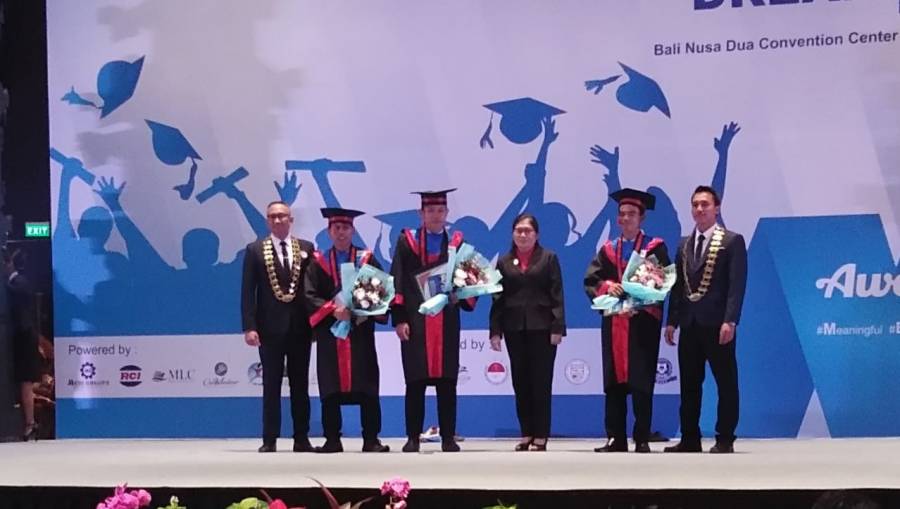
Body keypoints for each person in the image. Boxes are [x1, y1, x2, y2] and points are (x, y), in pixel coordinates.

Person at [583, 189, 670, 453]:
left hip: (642, 323)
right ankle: (615, 438)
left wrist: (639, 302)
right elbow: (591, 280)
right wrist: (608, 286)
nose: (626, 218)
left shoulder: (655, 247)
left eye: (631, 214)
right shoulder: (608, 250)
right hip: (614, 323)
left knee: (642, 382)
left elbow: (662, 282)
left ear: (642, 218)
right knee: (614, 384)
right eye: (622, 214)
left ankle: (642, 437)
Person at [390, 189, 475, 453]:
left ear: (447, 213)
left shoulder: (457, 244)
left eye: (440, 210)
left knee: (447, 382)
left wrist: (463, 293)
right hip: (416, 321)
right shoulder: (407, 241)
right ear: (421, 213)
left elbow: (468, 280)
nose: (436, 215)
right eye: (430, 211)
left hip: (447, 320)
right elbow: (397, 280)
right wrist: (399, 319)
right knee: (414, 382)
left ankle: (448, 437)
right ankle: (412, 437)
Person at [664, 185, 747, 454]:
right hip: (689, 324)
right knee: (689, 384)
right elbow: (678, 287)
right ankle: (690, 438)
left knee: (726, 382)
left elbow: (736, 286)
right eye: (695, 205)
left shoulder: (731, 241)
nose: (699, 209)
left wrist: (730, 320)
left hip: (717, 324)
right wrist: (672, 320)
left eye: (705, 204)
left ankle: (725, 438)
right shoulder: (683, 244)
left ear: (716, 208)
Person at [304, 208, 390, 453]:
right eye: (336, 228)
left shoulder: (367, 259)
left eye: (345, 228)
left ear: (353, 230)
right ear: (329, 231)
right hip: (331, 332)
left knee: (367, 386)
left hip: (359, 331)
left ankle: (371, 439)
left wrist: (360, 309)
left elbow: (382, 290)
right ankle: (332, 439)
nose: (341, 232)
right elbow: (309, 295)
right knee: (330, 387)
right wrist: (333, 309)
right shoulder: (318, 262)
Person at [241, 201, 315, 453]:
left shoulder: (306, 248)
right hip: (268, 329)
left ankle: (301, 438)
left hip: (300, 328)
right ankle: (269, 438)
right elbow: (247, 291)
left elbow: (311, 289)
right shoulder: (255, 250)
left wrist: (316, 322)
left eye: (282, 216)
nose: (277, 220)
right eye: (272, 216)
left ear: (291, 220)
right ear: (267, 221)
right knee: (271, 385)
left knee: (300, 385)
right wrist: (249, 326)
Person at [489, 213, 565, 451]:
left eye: (527, 231)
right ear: (513, 234)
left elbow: (557, 295)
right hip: (514, 328)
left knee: (541, 383)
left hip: (543, 328)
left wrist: (557, 327)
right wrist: (495, 331)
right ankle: (526, 432)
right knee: (520, 382)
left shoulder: (548, 258)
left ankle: (541, 434)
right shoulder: (504, 262)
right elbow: (497, 298)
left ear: (536, 234)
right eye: (519, 230)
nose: (523, 235)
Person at [5, 249, 40, 441]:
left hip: (24, 340)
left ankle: (30, 424)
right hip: (16, 340)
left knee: (26, 382)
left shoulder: (20, 284)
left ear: (9, 264)